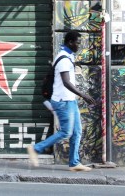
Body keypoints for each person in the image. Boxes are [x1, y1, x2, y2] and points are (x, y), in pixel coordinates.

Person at [27, 30, 96, 171]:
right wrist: (83, 95)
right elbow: (66, 82)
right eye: (78, 43)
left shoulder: (68, 56)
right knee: (66, 132)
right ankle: (35, 148)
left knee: (77, 132)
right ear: (70, 42)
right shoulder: (64, 59)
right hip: (62, 101)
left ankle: (74, 163)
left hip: (70, 100)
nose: (79, 45)